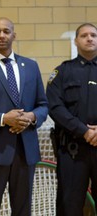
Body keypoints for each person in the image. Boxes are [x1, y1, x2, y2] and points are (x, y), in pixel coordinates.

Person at [0, 17, 48, 216]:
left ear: (14, 34)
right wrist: (4, 118)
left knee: (23, 210)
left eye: (6, 31)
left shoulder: (30, 66)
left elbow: (43, 106)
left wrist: (30, 117)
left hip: (25, 152)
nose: (2, 35)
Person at [46, 23, 97, 215]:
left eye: (93, 35)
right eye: (84, 35)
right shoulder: (62, 72)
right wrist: (84, 131)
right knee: (70, 205)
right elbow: (55, 107)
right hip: (73, 151)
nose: (89, 38)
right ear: (76, 41)